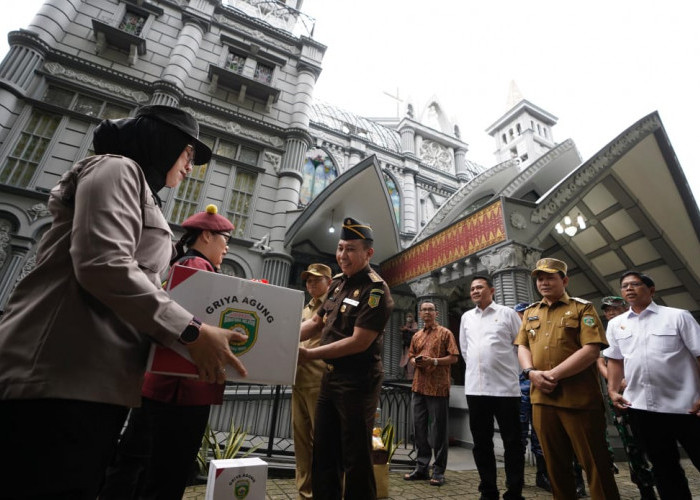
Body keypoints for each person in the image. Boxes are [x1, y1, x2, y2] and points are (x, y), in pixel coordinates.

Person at [0, 105, 247, 499]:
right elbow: (104, 264)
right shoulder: (117, 168)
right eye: (187, 154)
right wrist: (191, 332)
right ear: (161, 142)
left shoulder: (142, 190)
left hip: (97, 380)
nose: (189, 167)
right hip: (59, 376)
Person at [100, 204, 245, 499]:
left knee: (136, 465)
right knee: (166, 475)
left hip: (160, 386)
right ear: (206, 235)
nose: (227, 247)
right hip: (181, 389)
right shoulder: (197, 267)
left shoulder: (183, 263)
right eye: (224, 239)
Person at [298, 217, 394, 500]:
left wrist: (308, 355)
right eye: (340, 248)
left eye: (351, 249)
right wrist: (283, 337)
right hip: (330, 377)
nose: (342, 255)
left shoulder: (376, 290)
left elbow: (358, 342)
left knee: (355, 456)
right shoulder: (338, 283)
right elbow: (316, 323)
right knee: (324, 450)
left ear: (368, 253)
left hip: (357, 381)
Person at [515, 258, 620, 500]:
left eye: (550, 277)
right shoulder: (530, 312)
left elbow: (592, 349)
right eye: (540, 278)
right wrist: (531, 372)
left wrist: (552, 375)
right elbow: (522, 347)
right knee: (555, 466)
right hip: (542, 398)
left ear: (564, 280)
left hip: (579, 400)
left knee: (595, 464)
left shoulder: (582, 308)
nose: (543, 282)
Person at [606, 271, 700, 500]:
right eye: (625, 285)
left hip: (686, 407)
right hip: (643, 409)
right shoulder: (616, 325)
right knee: (664, 469)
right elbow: (615, 360)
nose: (629, 288)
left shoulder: (678, 317)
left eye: (635, 284)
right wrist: (612, 389)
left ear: (651, 289)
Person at [459, 276, 525, 500]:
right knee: (481, 443)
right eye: (472, 289)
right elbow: (465, 350)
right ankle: (488, 490)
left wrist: (511, 371)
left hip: (506, 389)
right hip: (476, 390)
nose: (475, 291)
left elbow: (521, 345)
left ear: (492, 290)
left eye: (480, 287)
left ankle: (514, 491)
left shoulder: (507, 313)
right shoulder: (467, 317)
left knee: (513, 442)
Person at [597, 295, 657, 500]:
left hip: (649, 393)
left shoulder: (637, 326)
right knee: (631, 444)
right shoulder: (606, 331)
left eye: (614, 308)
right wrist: (616, 381)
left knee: (656, 442)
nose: (610, 313)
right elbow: (601, 362)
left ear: (625, 307)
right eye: (607, 310)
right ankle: (645, 488)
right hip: (622, 396)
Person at [402, 301, 459, 486]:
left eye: (430, 310)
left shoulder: (445, 333)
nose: (427, 312)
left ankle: (439, 471)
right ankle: (421, 468)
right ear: (420, 313)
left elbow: (454, 357)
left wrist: (433, 361)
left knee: (439, 431)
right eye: (424, 310)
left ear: (436, 313)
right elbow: (411, 355)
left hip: (438, 387)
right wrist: (413, 361)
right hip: (418, 386)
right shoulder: (417, 335)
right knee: (419, 429)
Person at [293, 263, 332, 500]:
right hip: (297, 379)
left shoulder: (332, 305)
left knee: (324, 442)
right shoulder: (305, 308)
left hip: (319, 380)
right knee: (301, 441)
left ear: (329, 281)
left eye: (317, 280)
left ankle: (326, 491)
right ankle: (305, 492)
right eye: (308, 280)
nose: (311, 284)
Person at [514, 302, 552, 493]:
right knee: (518, 436)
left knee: (541, 434)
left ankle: (543, 475)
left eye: (525, 315)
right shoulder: (512, 336)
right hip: (517, 392)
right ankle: (517, 477)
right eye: (519, 315)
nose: (523, 318)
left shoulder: (541, 335)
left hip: (539, 389)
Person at [399, 311, 419, 378]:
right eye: (407, 316)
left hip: (412, 345)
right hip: (406, 345)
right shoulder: (406, 325)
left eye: (410, 316)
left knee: (410, 360)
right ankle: (407, 376)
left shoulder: (414, 324)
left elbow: (416, 330)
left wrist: (407, 329)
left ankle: (411, 376)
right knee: (406, 360)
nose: (408, 318)